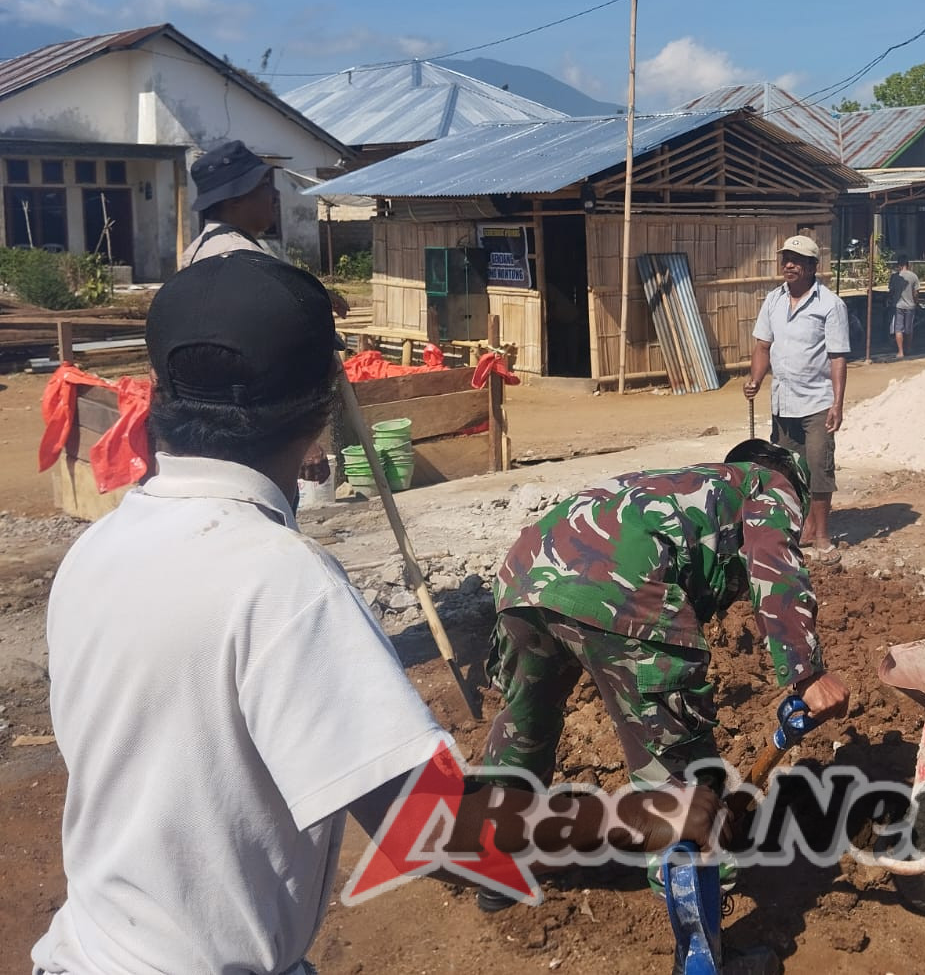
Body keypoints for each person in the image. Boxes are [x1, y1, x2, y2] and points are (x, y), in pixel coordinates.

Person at [32, 253, 720, 975]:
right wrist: (640, 816)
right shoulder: (281, 583)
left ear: (160, 393)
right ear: (329, 404)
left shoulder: (99, 549)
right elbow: (438, 834)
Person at [479, 439, 850, 912]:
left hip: (524, 575)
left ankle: (496, 863)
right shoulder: (769, 485)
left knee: (523, 726)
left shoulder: (687, 485)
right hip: (621, 590)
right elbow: (774, 563)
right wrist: (807, 672)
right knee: (679, 772)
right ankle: (701, 941)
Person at [745, 235, 849, 553]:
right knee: (788, 469)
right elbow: (763, 346)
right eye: (786, 258)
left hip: (817, 401)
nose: (789, 264)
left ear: (812, 266)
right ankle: (801, 528)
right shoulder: (773, 300)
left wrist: (837, 403)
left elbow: (837, 357)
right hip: (783, 400)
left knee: (819, 467)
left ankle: (822, 535)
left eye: (797, 259)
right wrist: (755, 379)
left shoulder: (830, 305)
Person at [179, 139, 349, 316]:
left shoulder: (198, 249)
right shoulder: (241, 256)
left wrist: (312, 293)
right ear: (234, 198)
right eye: (266, 184)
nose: (276, 194)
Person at [890, 255, 920, 358]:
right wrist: (916, 303)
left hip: (898, 305)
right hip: (910, 306)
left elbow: (891, 291)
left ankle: (900, 352)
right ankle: (908, 348)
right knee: (909, 329)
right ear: (908, 264)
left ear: (899, 264)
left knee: (898, 329)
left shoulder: (894, 277)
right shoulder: (914, 276)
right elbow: (915, 293)